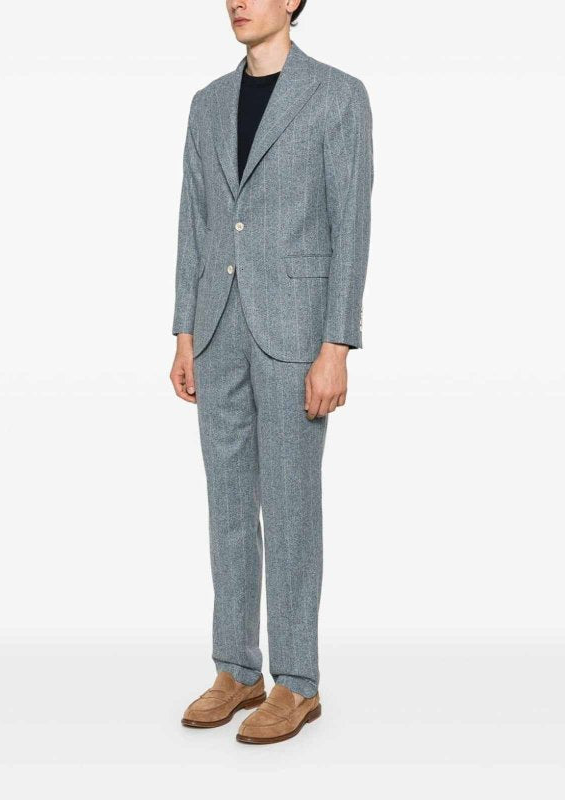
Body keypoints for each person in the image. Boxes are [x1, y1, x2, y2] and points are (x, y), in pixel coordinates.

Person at [170, 0, 373, 745]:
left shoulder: (337, 95)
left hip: (295, 332)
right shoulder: (207, 103)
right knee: (227, 506)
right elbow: (194, 220)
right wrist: (185, 331)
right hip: (217, 326)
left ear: (292, 2)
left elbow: (351, 223)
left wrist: (336, 344)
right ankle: (236, 668)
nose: (238, 1)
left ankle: (296, 681)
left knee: (289, 506)